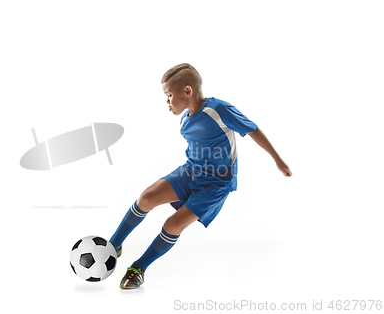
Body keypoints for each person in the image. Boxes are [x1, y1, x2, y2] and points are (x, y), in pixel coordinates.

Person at [109, 63, 292, 289]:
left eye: (169, 95)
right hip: (191, 172)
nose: (167, 101)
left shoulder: (219, 110)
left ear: (187, 91)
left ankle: (138, 268)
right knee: (146, 198)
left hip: (215, 185)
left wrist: (277, 159)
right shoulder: (185, 119)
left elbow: (252, 129)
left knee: (172, 225)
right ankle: (113, 245)